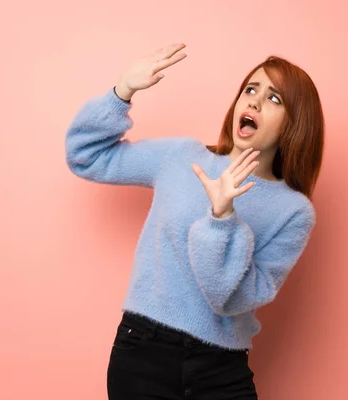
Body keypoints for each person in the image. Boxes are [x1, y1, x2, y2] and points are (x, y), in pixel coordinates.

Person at [65, 42, 324, 400]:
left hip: (221, 368)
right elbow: (85, 156)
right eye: (250, 89)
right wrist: (121, 92)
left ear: (295, 124)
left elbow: (228, 300)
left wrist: (223, 218)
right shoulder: (182, 156)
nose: (253, 101)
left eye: (274, 98)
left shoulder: (294, 212)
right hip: (144, 353)